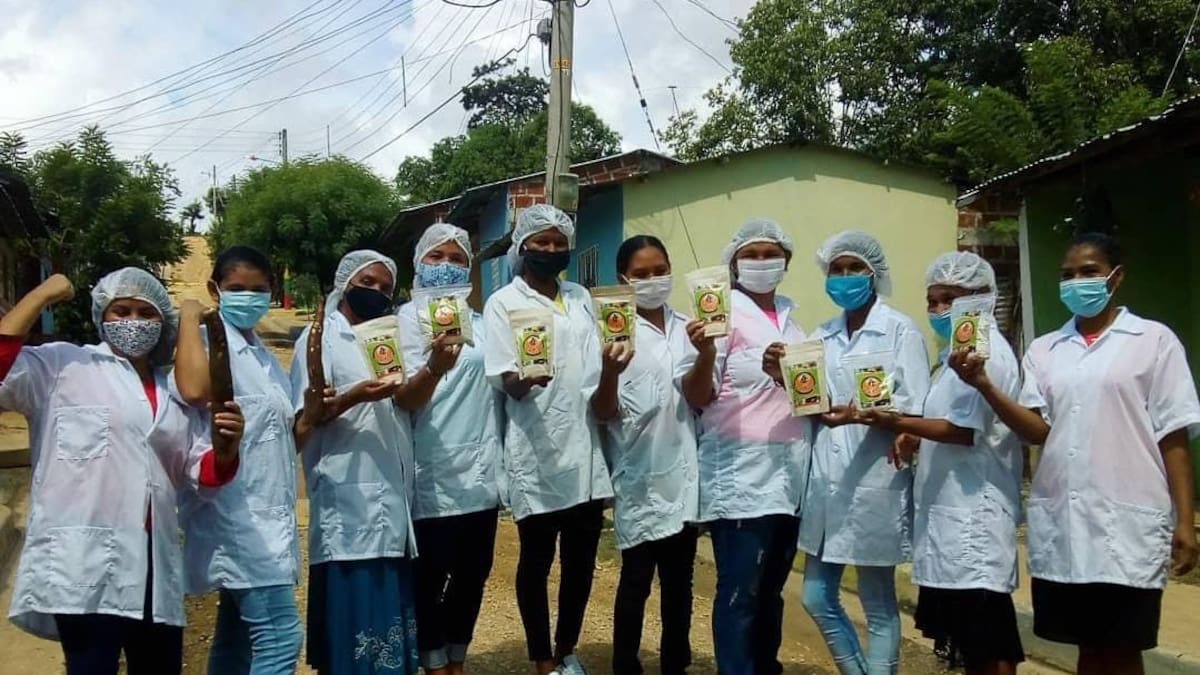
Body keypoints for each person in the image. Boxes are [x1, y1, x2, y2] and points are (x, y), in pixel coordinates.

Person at [950, 232, 1200, 675]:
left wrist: (1185, 520)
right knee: (1087, 647)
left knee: (1122, 648)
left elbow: (1173, 435)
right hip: (1066, 523)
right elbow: (1036, 430)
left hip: (1129, 522)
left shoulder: (1153, 340)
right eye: (1067, 275)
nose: (1077, 282)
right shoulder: (1045, 349)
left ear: (1116, 278)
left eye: (1089, 272)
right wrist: (984, 385)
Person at [0, 269, 245, 675]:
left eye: (146, 313)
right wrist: (41, 295)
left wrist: (226, 448)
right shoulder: (63, 365)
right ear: (102, 315)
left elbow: (199, 472)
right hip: (84, 563)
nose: (133, 321)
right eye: (121, 311)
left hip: (153, 565)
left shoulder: (173, 391)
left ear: (162, 322)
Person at [855, 252, 1025, 675]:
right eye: (932, 301)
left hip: (974, 518)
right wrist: (914, 435)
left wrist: (895, 420)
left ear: (981, 297)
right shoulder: (955, 356)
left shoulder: (987, 354)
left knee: (990, 643)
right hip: (949, 518)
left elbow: (963, 431)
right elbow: (948, 420)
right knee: (969, 643)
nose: (938, 309)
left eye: (950, 298)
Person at [291, 249, 458, 675]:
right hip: (347, 502)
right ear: (344, 283)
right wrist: (355, 397)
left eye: (385, 288)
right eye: (367, 283)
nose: (377, 293)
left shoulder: (386, 337)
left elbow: (405, 400)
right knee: (354, 631)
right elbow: (306, 419)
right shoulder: (320, 339)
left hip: (391, 500)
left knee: (388, 629)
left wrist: (434, 369)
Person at [482, 204, 613, 675]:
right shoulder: (503, 303)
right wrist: (525, 379)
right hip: (537, 449)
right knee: (536, 562)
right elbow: (505, 380)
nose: (551, 250)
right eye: (542, 242)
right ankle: (541, 657)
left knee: (580, 564)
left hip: (586, 447)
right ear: (523, 246)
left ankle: (566, 650)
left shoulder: (580, 297)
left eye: (560, 243)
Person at [678, 218, 810, 675]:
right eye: (750, 255)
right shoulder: (719, 316)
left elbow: (809, 395)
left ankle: (764, 667)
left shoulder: (793, 320)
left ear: (786, 261)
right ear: (733, 263)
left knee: (771, 590)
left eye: (770, 254)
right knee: (740, 591)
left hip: (789, 474)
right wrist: (706, 352)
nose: (761, 262)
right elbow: (697, 395)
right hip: (739, 474)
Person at [796, 230, 931, 675]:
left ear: (874, 274)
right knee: (815, 595)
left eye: (855, 268)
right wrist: (783, 375)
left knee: (876, 602)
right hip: (827, 482)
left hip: (877, 477)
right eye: (837, 269)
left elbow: (917, 408)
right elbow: (809, 399)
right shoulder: (822, 335)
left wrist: (891, 427)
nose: (845, 277)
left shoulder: (900, 330)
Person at [172, 246, 304, 675]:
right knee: (280, 637)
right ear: (215, 290)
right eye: (236, 288)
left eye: (258, 289)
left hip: (267, 517)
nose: (248, 297)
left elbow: (279, 435)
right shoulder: (206, 342)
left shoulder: (262, 355)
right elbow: (195, 390)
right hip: (237, 518)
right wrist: (189, 318)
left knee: (236, 640)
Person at [591, 235, 700, 675]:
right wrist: (609, 372)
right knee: (636, 580)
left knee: (680, 583)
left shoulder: (689, 328)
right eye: (641, 274)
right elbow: (602, 411)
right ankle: (625, 664)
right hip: (637, 473)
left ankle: (675, 663)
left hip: (684, 472)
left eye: (660, 271)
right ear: (623, 279)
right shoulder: (609, 333)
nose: (653, 280)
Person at [398, 223, 502, 675]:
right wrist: (434, 368)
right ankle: (433, 663)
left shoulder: (481, 324)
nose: (446, 266)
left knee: (472, 576)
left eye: (457, 258)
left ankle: (456, 659)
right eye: (435, 257)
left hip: (479, 474)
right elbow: (401, 397)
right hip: (428, 472)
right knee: (428, 579)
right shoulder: (401, 322)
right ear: (418, 264)